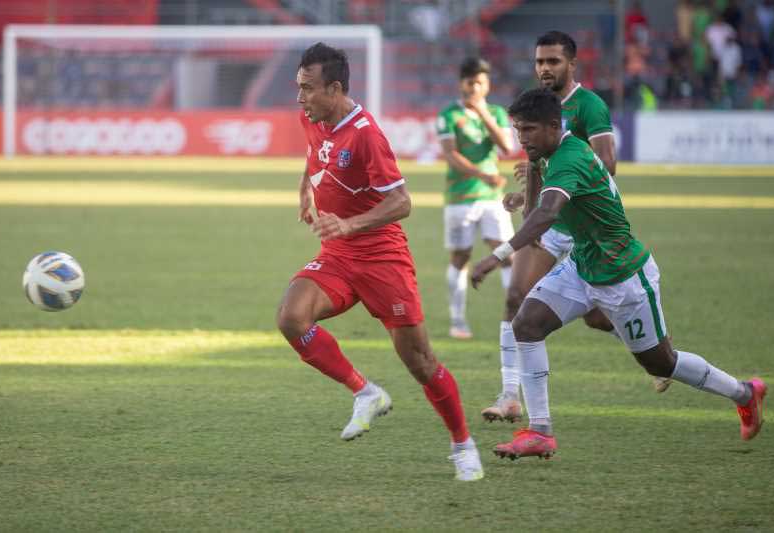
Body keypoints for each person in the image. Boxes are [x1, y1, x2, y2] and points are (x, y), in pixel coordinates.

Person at [471, 88, 767, 460]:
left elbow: (544, 216)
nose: (521, 139)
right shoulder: (547, 156)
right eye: (518, 130)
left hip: (623, 274)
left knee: (661, 362)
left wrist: (496, 255)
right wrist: (530, 176)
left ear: (552, 125)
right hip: (583, 265)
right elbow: (537, 214)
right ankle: (540, 432)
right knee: (526, 324)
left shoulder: (570, 157)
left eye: (528, 130)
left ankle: (744, 393)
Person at [276, 43, 484, 481]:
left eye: (307, 89)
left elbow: (402, 202)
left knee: (421, 362)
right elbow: (314, 154)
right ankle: (365, 393)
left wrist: (350, 226)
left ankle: (463, 444)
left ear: (335, 88)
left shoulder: (367, 134)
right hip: (337, 255)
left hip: (381, 259)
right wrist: (304, 189)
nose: (300, 98)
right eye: (298, 87)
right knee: (292, 318)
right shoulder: (312, 116)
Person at [487, 31, 669, 427]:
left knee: (597, 317)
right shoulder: (536, 106)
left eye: (553, 61)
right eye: (539, 62)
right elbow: (537, 165)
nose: (544, 69)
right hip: (552, 218)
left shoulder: (589, 106)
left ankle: (653, 354)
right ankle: (509, 395)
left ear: (572, 64)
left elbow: (608, 163)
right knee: (516, 296)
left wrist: (564, 178)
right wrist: (527, 200)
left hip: (584, 222)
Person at [436, 57, 515, 341]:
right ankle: (458, 320)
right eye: (470, 82)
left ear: (487, 84)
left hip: (493, 198)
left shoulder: (496, 113)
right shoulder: (448, 115)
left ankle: (514, 317)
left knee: (508, 254)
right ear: (461, 83)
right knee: (461, 256)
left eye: (480, 82)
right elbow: (450, 154)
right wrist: (483, 176)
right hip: (460, 198)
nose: (474, 87)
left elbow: (507, 147)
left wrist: (483, 114)